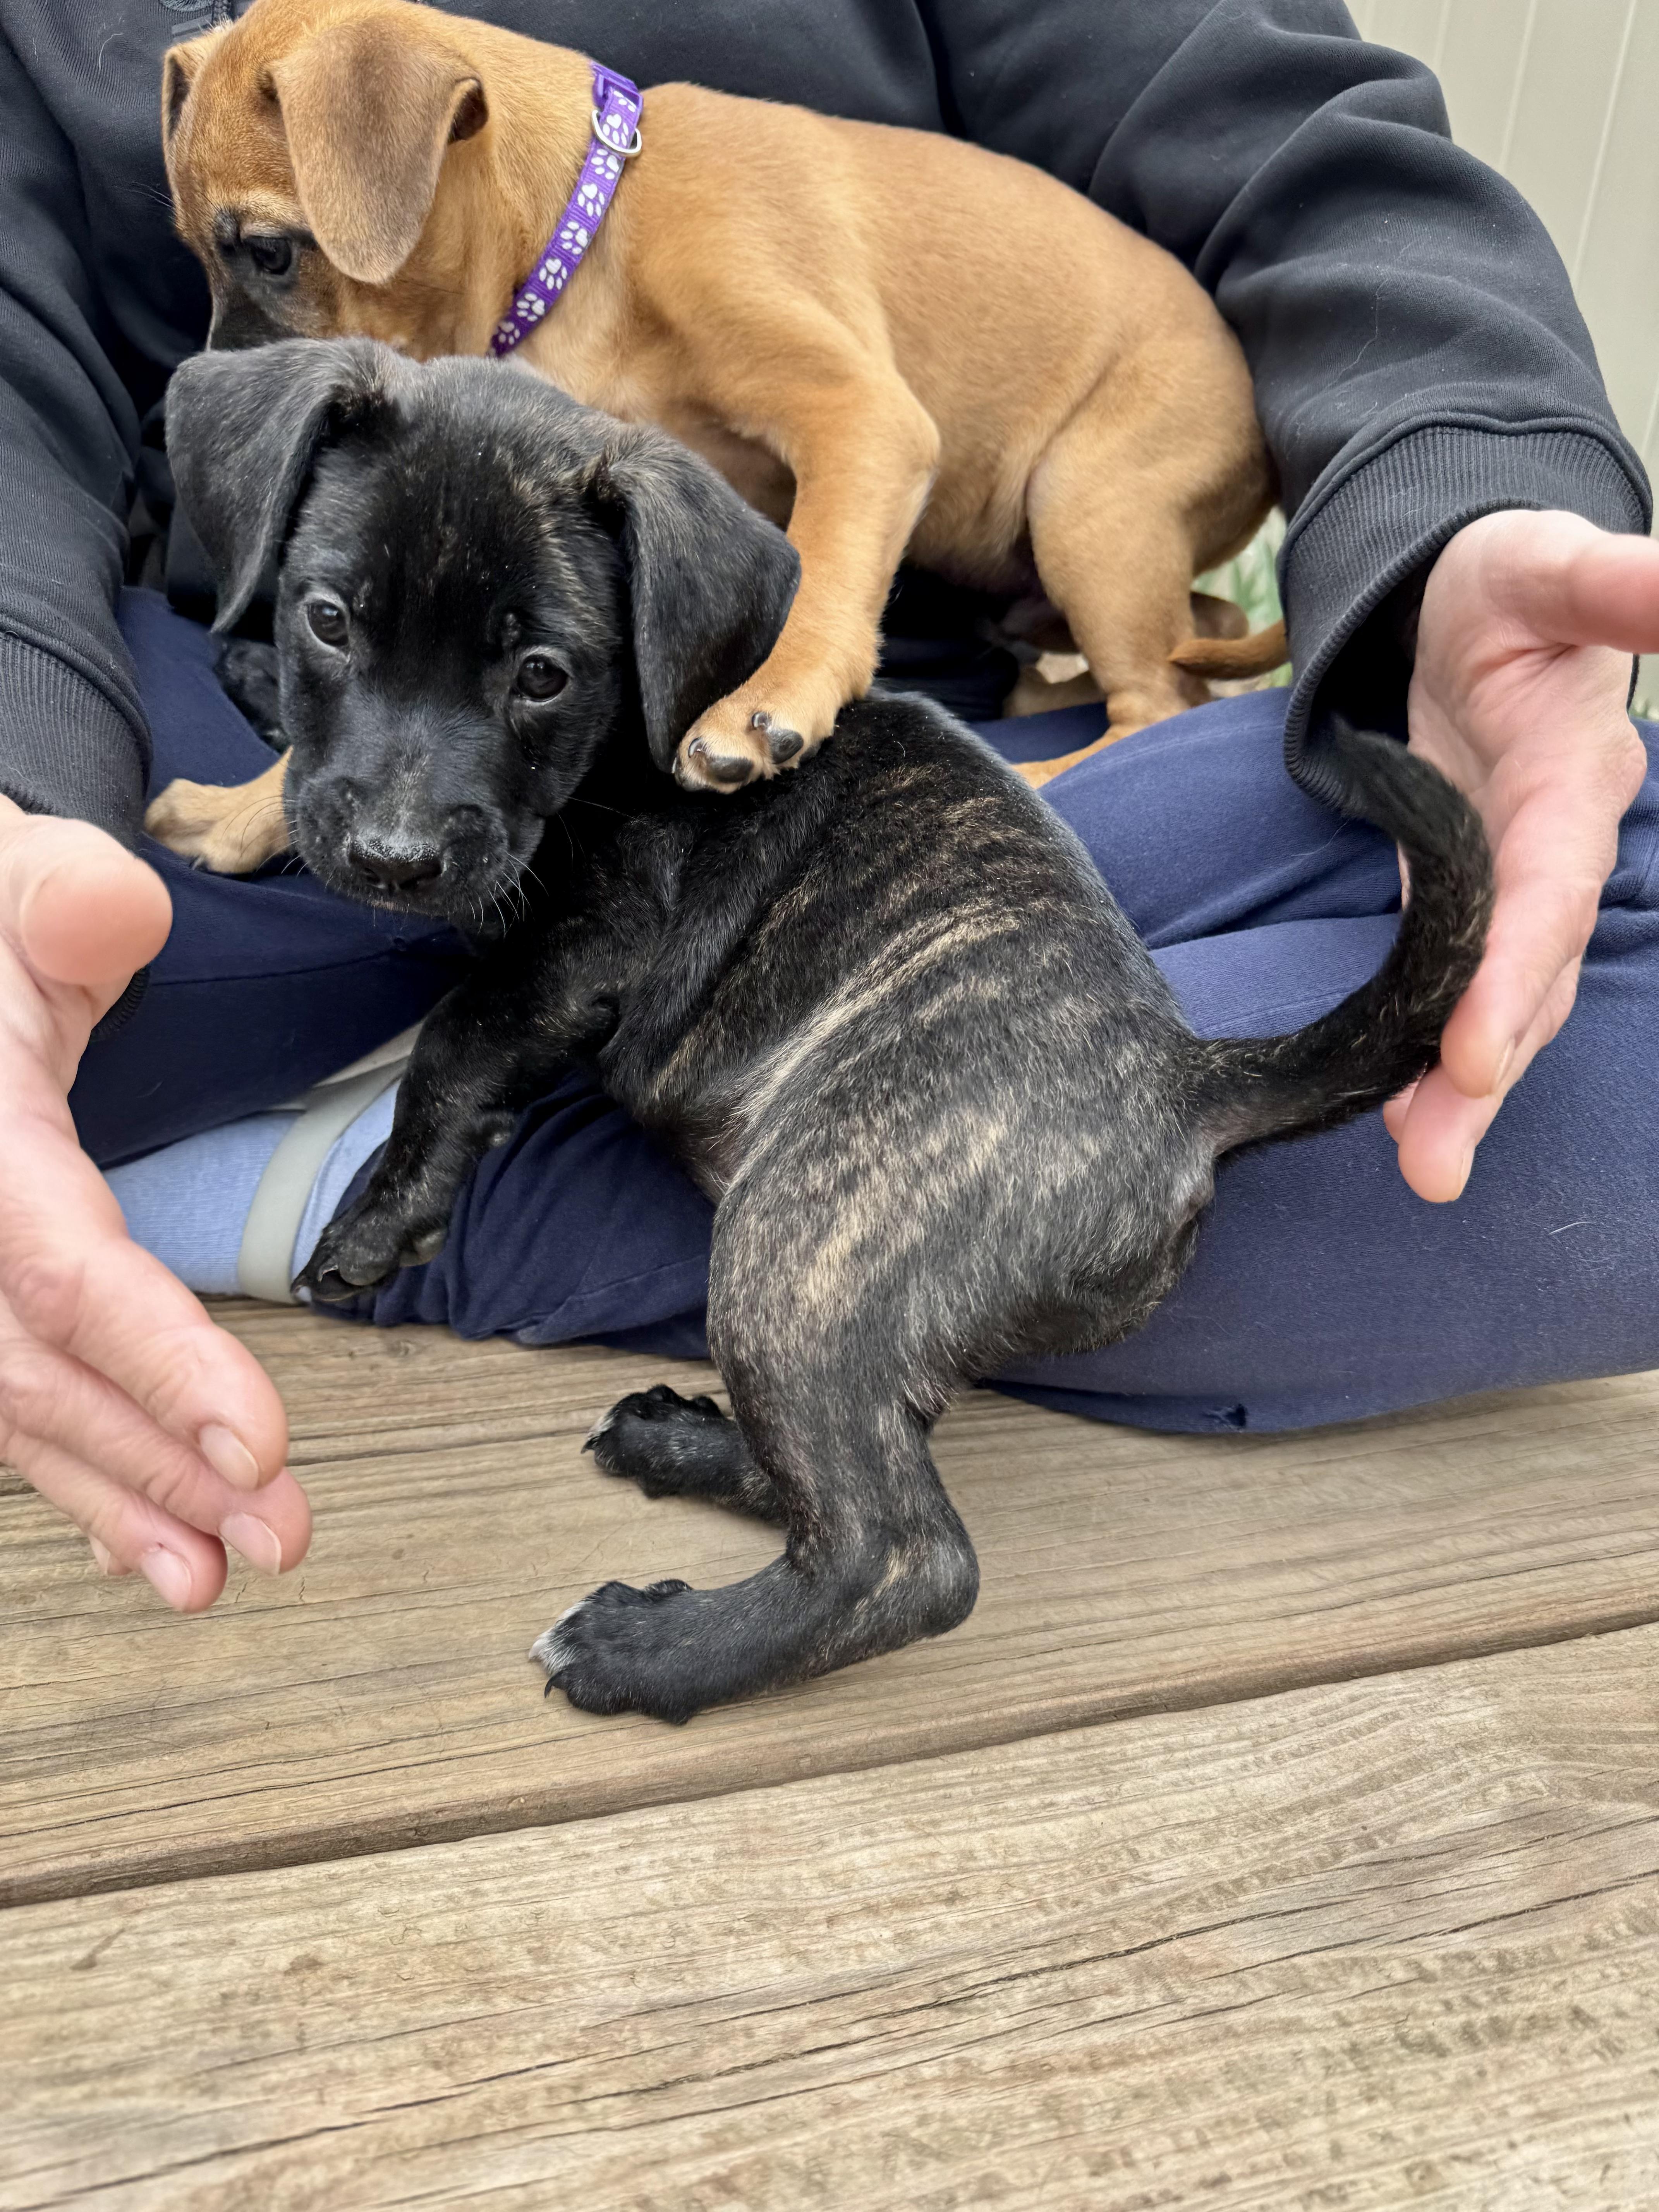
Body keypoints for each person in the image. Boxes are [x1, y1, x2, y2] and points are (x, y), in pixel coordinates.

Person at [1, 0, 1653, 1612]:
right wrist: (28, 784)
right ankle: (687, 1198)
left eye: (271, 261)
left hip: (857, 734)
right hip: (194, 682)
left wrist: (1458, 489)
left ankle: (438, 1169)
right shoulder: (229, 224)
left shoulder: (684, 227)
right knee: (89, 926)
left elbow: (1286, 137)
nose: (239, 315)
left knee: (1575, 925)